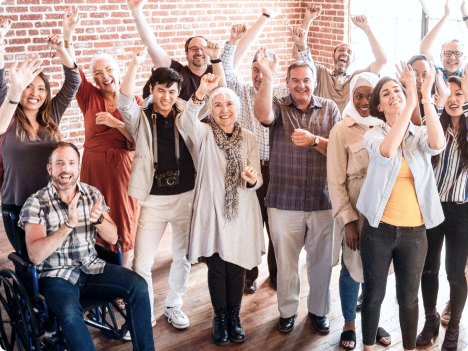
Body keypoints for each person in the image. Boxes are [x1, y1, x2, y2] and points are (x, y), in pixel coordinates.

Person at [18, 142, 155, 351]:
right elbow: (35, 255)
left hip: (91, 267)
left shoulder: (91, 195)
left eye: (71, 163)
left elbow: (113, 236)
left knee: (138, 286)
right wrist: (68, 225)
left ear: (79, 167)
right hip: (56, 276)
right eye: (60, 163)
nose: (66, 169)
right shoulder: (36, 203)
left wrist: (99, 220)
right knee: (70, 313)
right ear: (50, 169)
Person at [356, 62, 446, 351]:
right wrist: (408, 97)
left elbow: (438, 143)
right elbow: (387, 151)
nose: (393, 94)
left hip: (414, 233)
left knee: (409, 298)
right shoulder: (374, 134)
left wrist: (423, 94)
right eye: (386, 93)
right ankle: (368, 347)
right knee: (373, 295)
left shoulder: (418, 135)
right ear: (379, 106)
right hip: (378, 230)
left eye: (397, 89)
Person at [220, 22, 312, 293]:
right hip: (249, 169)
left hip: (279, 171)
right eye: (255, 70)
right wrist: (232, 41)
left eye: (264, 70)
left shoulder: (283, 95)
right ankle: (249, 276)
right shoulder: (242, 92)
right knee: (250, 224)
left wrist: (301, 45)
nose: (259, 76)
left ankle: (276, 275)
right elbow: (226, 72)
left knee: (277, 228)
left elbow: (308, 76)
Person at [253, 53, 341, 333]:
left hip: (322, 199)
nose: (301, 85)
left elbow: (339, 151)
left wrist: (315, 141)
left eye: (306, 80)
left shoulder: (330, 108)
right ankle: (287, 311)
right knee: (286, 263)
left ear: (314, 81)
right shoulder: (278, 106)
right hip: (283, 201)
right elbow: (261, 114)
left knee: (321, 262)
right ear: (287, 83)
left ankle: (318, 311)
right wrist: (267, 76)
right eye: (295, 81)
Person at [178, 74, 264, 346]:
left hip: (242, 211)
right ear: (211, 110)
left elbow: (257, 177)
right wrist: (202, 92)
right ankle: (220, 317)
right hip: (212, 209)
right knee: (217, 267)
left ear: (237, 109)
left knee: (236, 267)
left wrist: (251, 178)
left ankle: (234, 317)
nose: (224, 110)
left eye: (229, 104)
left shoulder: (248, 137)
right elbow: (185, 120)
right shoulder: (203, 133)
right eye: (218, 105)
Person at [117, 48, 195, 331]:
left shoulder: (188, 112)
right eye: (161, 90)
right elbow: (123, 100)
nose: (166, 97)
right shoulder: (140, 118)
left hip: (187, 196)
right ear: (152, 89)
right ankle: (144, 311)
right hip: (152, 200)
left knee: (183, 256)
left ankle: (174, 305)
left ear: (179, 92)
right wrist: (134, 65)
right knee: (142, 263)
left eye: (172, 92)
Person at [62, 7, 139, 269]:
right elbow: (73, 70)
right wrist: (68, 34)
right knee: (94, 216)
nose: (103, 76)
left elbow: (138, 141)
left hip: (122, 170)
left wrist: (117, 123)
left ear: (118, 72)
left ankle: (124, 274)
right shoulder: (89, 96)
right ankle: (96, 269)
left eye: (108, 69)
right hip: (93, 168)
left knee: (123, 219)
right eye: (97, 73)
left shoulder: (134, 101)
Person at [0, 17, 80, 254]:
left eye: (41, 88)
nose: (34, 93)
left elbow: (73, 81)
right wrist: (1, 39)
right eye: (28, 86)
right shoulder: (8, 113)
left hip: (52, 202)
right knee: (30, 258)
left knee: (54, 256)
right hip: (16, 204)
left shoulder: (52, 114)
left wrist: (62, 49)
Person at [327, 72, 391, 349]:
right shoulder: (341, 130)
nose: (365, 102)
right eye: (359, 96)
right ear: (352, 97)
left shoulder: (389, 125)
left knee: (377, 269)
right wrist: (348, 221)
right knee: (352, 268)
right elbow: (335, 180)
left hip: (386, 211)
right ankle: (350, 323)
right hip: (356, 211)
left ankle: (372, 321)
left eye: (369, 95)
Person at [416, 71, 468, 351]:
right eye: (447, 94)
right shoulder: (431, 123)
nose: (453, 99)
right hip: (432, 209)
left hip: (462, 211)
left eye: (459, 93)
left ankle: (455, 326)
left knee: (455, 273)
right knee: (428, 269)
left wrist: (467, 98)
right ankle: (430, 319)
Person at [296, 4, 387, 113]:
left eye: (349, 52)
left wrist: (367, 29)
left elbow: (382, 60)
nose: (345, 53)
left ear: (353, 60)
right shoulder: (321, 73)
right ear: (333, 55)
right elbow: (300, 55)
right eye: (341, 50)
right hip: (321, 123)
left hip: (346, 126)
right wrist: (307, 19)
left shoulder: (357, 77)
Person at [127, 0, 226, 100]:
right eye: (194, 49)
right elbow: (152, 45)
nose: (199, 52)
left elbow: (223, 92)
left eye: (203, 49)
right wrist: (136, 11)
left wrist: (215, 58)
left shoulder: (217, 70)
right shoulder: (177, 72)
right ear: (186, 54)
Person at [420, 0, 467, 81]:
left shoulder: (466, 75)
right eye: (447, 53)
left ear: (464, 58)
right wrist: (446, 16)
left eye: (457, 53)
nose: (452, 57)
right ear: (441, 56)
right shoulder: (434, 73)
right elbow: (424, 48)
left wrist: (465, 15)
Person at [407, 55, 448, 124]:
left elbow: (427, 128)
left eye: (424, 75)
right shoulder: (399, 98)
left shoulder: (436, 100)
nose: (420, 80)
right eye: (415, 73)